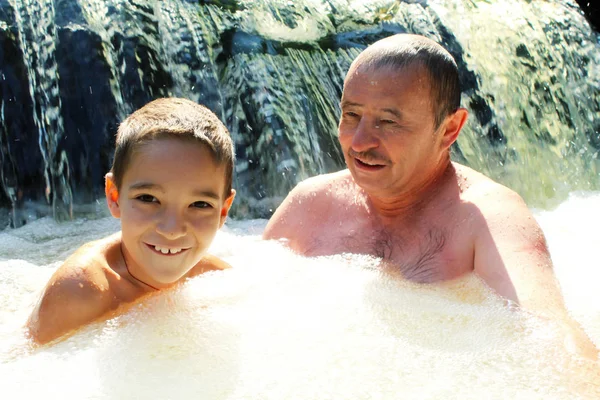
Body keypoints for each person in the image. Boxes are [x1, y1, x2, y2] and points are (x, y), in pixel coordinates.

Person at [263, 34, 598, 358]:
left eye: (387, 121)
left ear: (450, 129)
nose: (360, 141)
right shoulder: (311, 205)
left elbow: (549, 333)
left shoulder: (488, 221)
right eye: (351, 115)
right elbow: (243, 297)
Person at [27, 98, 236, 345]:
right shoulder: (78, 294)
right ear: (114, 196)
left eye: (200, 204)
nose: (172, 230)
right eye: (148, 198)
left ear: (223, 212)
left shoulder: (215, 279)